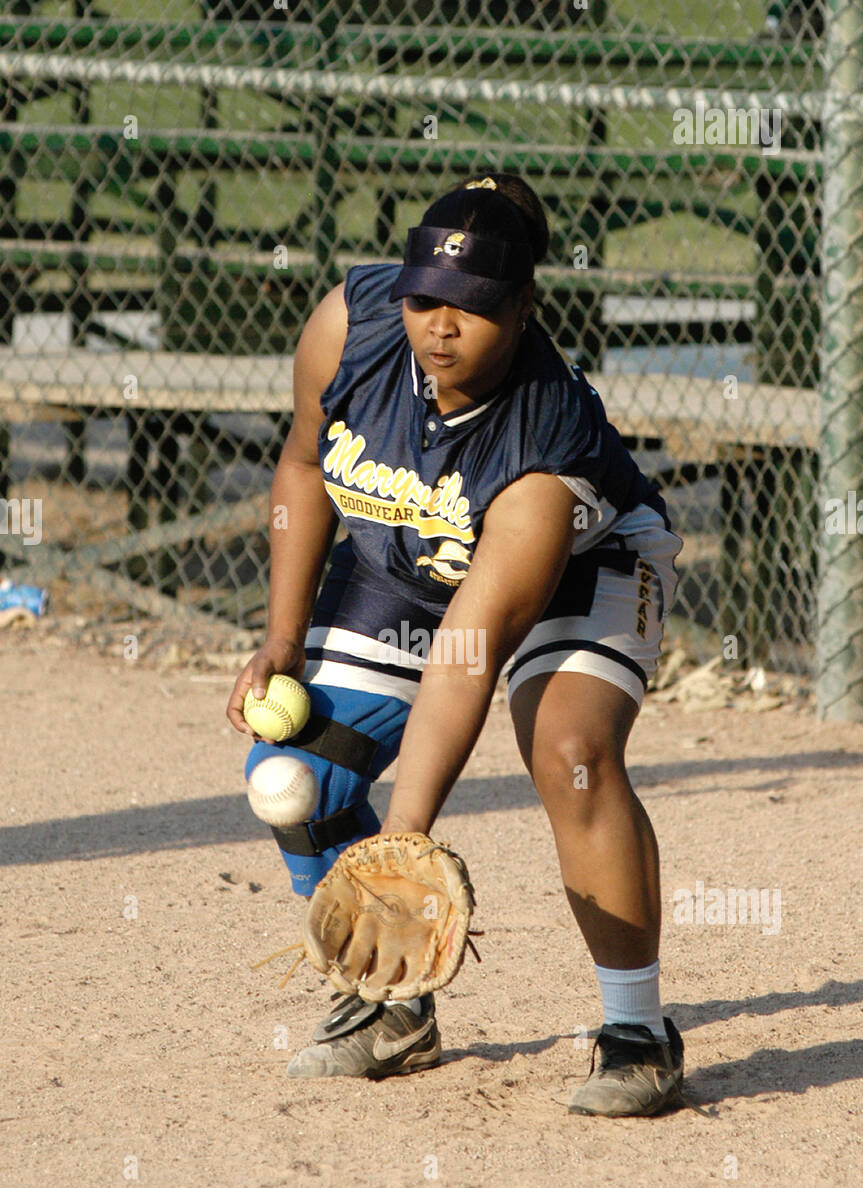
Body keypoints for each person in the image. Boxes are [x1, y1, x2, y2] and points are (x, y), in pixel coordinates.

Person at [227, 172, 685, 1117]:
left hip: (580, 568)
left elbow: (467, 654)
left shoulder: (540, 443)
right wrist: (279, 635)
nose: (440, 325)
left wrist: (406, 837)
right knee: (297, 769)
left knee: (571, 754)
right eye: (424, 299)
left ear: (522, 308)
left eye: (472, 308)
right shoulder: (350, 326)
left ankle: (637, 1030)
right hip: (413, 557)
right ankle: (390, 1008)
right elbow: (306, 464)